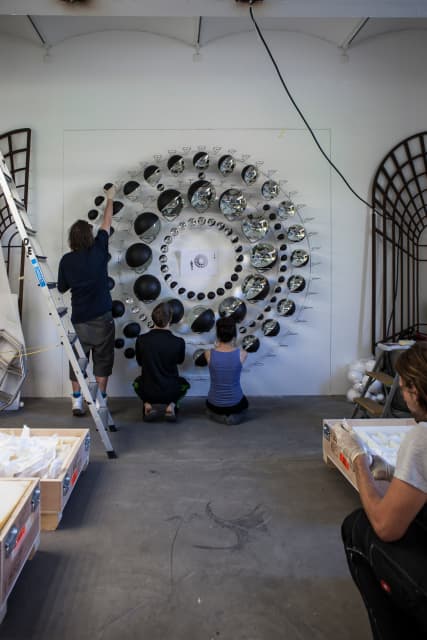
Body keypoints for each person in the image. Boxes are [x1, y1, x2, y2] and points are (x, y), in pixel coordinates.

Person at [336, 342, 427, 639]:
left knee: (358, 526)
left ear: (416, 390)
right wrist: (399, 473)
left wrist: (357, 459)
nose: (401, 393)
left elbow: (386, 527)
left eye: (404, 388)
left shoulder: (421, 439)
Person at [57, 185, 116, 416]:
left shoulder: (66, 260)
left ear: (72, 239)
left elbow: (62, 287)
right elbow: (106, 223)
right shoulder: (99, 250)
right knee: (103, 360)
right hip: (102, 318)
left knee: (78, 361)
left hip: (79, 319)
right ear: (90, 237)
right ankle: (101, 401)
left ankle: (77, 401)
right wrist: (110, 198)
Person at [134, 302, 189, 422]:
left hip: (148, 392)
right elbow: (180, 361)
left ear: (153, 318)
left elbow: (140, 362)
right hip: (171, 392)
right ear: (170, 319)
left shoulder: (141, 340)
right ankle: (171, 406)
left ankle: (147, 405)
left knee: (136, 383)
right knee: (185, 385)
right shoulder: (178, 342)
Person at [204, 317, 249, 425]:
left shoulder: (208, 353)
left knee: (209, 408)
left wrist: (217, 345)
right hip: (235, 404)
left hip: (214, 404)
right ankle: (230, 417)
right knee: (245, 403)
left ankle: (218, 416)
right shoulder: (243, 353)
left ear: (218, 334)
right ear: (234, 334)